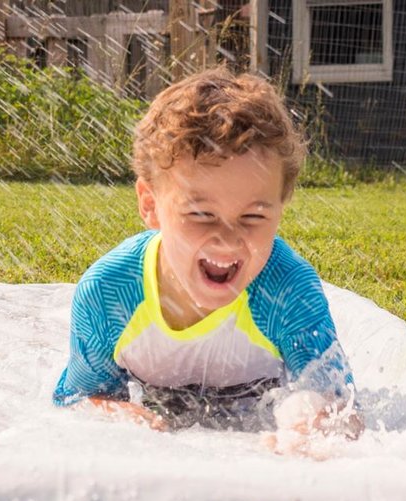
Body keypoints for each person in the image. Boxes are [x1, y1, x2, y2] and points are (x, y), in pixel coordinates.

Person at [53, 67, 363, 449]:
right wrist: (117, 415)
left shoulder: (287, 289)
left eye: (254, 216)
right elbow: (74, 403)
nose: (229, 240)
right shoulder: (110, 294)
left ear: (281, 207)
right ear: (150, 205)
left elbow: (343, 409)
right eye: (201, 214)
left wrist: (310, 423)